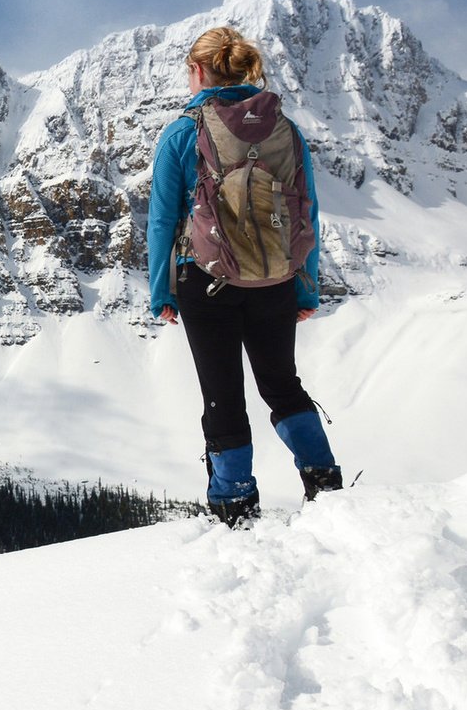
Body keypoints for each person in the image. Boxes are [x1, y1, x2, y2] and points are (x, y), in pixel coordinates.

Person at [147, 26, 344, 527]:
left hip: (205, 281)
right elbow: (308, 213)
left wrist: (160, 292)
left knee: (222, 394)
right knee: (282, 384)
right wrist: (304, 284)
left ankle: (235, 504)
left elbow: (163, 220)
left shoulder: (181, 131)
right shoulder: (286, 129)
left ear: (197, 71)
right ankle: (325, 484)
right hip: (275, 279)